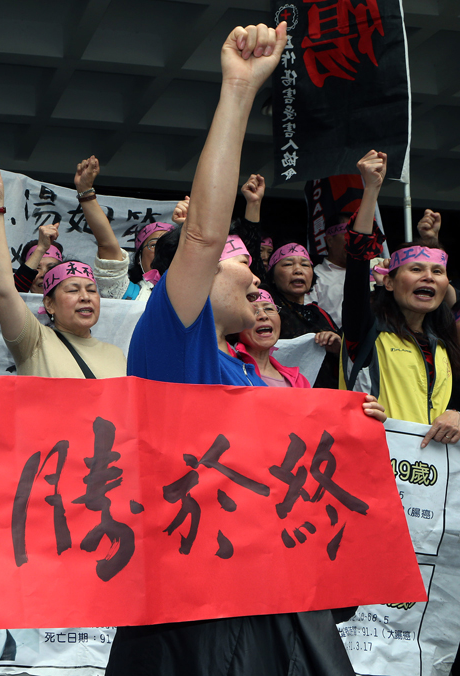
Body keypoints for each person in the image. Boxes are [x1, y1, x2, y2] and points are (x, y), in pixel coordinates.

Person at [110, 22, 386, 676]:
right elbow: (203, 237)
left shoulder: (253, 375)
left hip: (281, 602)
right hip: (198, 619)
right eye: (244, 264)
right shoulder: (170, 349)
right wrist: (238, 89)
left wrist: (345, 433)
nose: (259, 281)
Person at [341, 150, 460, 446]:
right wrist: (371, 190)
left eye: (437, 272)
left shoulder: (443, 343)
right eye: (416, 269)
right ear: (389, 282)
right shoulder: (365, 330)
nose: (428, 277)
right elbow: (357, 260)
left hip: (435, 472)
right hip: (373, 461)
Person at [0, 162, 126, 378]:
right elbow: (2, 290)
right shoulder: (34, 342)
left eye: (92, 290)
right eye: (73, 290)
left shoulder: (117, 355)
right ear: (49, 304)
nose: (85, 297)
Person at [72, 155, 172, 302]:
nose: (161, 250)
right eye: (154, 244)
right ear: (139, 258)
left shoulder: (200, 292)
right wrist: (85, 192)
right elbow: (107, 245)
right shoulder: (130, 294)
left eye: (169, 245)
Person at [265, 241, 342, 387]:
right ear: (272, 276)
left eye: (305, 265)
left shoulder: (319, 314)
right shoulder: (269, 313)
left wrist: (338, 348)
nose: (298, 270)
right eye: (288, 264)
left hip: (325, 395)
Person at [234, 290, 311, 388]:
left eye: (269, 309)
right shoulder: (225, 367)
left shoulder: (299, 381)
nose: (263, 316)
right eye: (252, 310)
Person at [305, 213, 351, 327]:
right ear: (330, 241)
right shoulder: (315, 276)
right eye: (348, 236)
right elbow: (307, 316)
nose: (354, 242)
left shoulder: (373, 270)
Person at [12, 223, 63, 294]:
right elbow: (12, 292)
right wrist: (41, 248)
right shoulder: (11, 300)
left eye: (51, 267)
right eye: (37, 268)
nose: (44, 275)